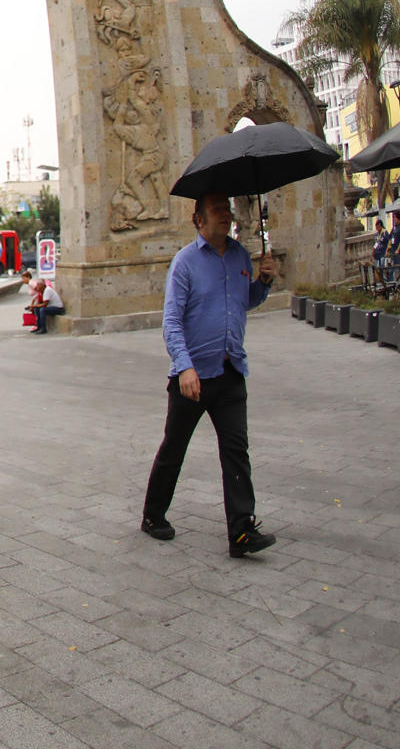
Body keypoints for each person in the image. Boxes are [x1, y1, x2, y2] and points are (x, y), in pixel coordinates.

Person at [140, 190, 278, 557]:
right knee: (174, 448)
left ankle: (241, 531)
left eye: (227, 209)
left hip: (231, 369)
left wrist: (263, 282)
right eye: (217, 210)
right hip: (193, 377)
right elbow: (171, 321)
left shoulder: (240, 256)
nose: (225, 215)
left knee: (236, 451)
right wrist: (183, 366)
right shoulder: (184, 263)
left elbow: (243, 302)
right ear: (198, 220)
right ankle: (153, 515)